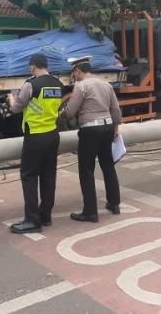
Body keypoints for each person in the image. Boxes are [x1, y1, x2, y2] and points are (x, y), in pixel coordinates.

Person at [6, 53, 64, 234]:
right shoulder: (58, 84)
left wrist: (11, 99)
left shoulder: (30, 85)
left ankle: (32, 220)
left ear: (33, 67)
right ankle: (45, 215)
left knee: (29, 176)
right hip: (53, 135)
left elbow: (16, 108)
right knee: (48, 176)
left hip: (35, 136)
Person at [61, 56, 122, 223]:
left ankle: (90, 212)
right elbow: (115, 110)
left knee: (86, 170)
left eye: (74, 72)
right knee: (108, 165)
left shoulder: (81, 86)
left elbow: (71, 112)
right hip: (108, 127)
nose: (74, 76)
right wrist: (116, 128)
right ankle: (114, 203)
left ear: (78, 71)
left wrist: (61, 113)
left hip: (90, 129)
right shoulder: (106, 84)